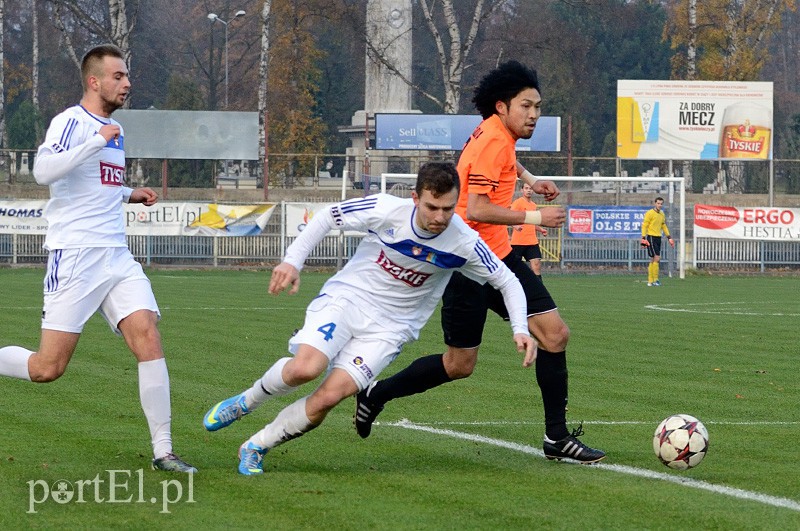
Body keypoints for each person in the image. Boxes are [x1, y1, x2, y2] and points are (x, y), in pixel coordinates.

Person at [202, 162, 535, 475]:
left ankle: (256, 446)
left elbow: (506, 280)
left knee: (330, 397)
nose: (440, 217)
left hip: (390, 329)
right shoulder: (387, 210)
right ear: (415, 198)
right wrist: (292, 262)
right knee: (305, 368)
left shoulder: (463, 241)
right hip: (347, 301)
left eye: (448, 209)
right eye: (432, 207)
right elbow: (327, 217)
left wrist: (520, 328)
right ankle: (246, 402)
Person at [354, 60, 606, 463]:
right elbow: (477, 208)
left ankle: (556, 438)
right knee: (459, 364)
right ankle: (376, 393)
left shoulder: (498, 135)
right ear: (502, 107)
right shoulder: (492, 141)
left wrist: (529, 181)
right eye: (526, 106)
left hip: (495, 257)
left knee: (554, 335)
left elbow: (506, 165)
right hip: (469, 261)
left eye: (538, 106)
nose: (534, 114)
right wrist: (535, 215)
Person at [0, 44, 196, 473]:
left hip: (116, 255)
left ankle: (164, 450)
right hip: (75, 256)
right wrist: (94, 141)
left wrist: (130, 193)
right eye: (119, 77)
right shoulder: (72, 122)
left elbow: (95, 185)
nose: (127, 84)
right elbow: (44, 173)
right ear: (95, 81)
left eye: (126, 76)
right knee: (47, 368)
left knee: (147, 333)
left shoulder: (115, 129)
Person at [510, 182, 548, 277]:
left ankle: (538, 288)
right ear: (522, 190)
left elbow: (531, 223)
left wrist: (540, 229)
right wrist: (515, 226)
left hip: (532, 242)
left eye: (530, 189)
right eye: (526, 188)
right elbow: (508, 217)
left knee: (536, 264)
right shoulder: (518, 203)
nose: (529, 190)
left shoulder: (533, 205)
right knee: (513, 268)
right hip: (518, 242)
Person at [640, 197, 675, 287]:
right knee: (657, 258)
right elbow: (644, 225)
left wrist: (669, 237)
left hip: (658, 237)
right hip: (651, 237)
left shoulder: (662, 214)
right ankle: (655, 280)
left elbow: (664, 226)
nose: (659, 205)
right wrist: (643, 237)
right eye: (658, 203)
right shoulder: (649, 213)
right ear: (655, 203)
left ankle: (650, 281)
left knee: (653, 259)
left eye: (661, 204)